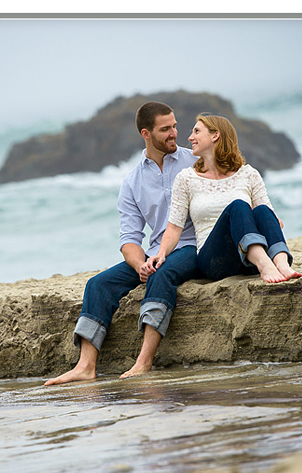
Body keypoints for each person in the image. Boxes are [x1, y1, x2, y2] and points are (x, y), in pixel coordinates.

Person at [44, 102, 200, 385]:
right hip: (153, 253)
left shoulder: (194, 163)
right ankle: (86, 366)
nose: (174, 133)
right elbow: (129, 237)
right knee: (98, 284)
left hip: (192, 246)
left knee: (162, 275)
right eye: (165, 129)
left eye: (175, 126)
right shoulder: (132, 181)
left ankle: (144, 361)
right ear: (146, 133)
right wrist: (140, 264)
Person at [146, 113, 302, 285]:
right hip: (216, 262)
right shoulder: (186, 179)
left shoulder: (248, 174)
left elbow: (274, 222)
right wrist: (161, 253)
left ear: (215, 135)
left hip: (249, 259)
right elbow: (174, 227)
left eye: (197, 131)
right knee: (237, 206)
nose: (190, 137)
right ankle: (265, 265)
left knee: (262, 210)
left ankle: (281, 265)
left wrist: (252, 218)